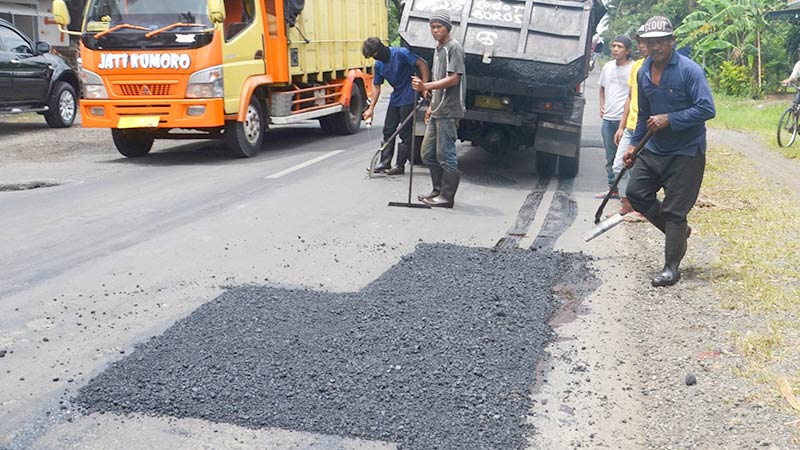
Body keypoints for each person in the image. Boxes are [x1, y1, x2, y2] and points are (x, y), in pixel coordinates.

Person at [623, 16, 716, 287]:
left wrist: (670, 119)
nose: (655, 47)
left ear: (672, 41)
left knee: (676, 210)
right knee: (636, 193)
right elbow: (644, 115)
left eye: (661, 41)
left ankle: (671, 267)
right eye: (650, 43)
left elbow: (707, 109)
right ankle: (678, 232)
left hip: (686, 152)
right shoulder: (642, 71)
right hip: (654, 148)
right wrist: (633, 145)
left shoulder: (690, 71)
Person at [410, 10, 465, 208]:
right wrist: (431, 105)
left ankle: (447, 198)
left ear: (447, 28)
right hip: (438, 108)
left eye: (438, 27)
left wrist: (426, 87)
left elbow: (453, 78)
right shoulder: (438, 49)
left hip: (449, 110)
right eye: (432, 27)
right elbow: (438, 76)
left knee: (446, 155)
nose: (435, 30)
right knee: (427, 154)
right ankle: (437, 190)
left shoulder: (453, 48)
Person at [362, 38, 430, 175]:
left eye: (374, 55)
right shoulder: (378, 65)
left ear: (379, 50)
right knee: (388, 130)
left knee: (405, 132)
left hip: (410, 95)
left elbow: (423, 64)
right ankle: (384, 163)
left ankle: (399, 165)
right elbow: (376, 87)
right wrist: (371, 109)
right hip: (396, 97)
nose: (375, 58)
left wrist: (424, 87)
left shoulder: (401, 53)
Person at [611, 26, 648, 223]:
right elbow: (630, 97)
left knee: (643, 171)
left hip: (648, 129)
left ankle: (642, 209)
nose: (642, 46)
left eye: (646, 42)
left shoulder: (660, 68)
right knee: (619, 166)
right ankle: (627, 204)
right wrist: (621, 126)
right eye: (640, 42)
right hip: (632, 126)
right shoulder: (636, 67)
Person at [597, 35, 634, 199]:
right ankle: (613, 188)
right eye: (613, 46)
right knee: (609, 157)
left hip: (624, 120)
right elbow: (602, 87)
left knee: (625, 158)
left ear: (628, 50)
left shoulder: (633, 68)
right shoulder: (608, 67)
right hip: (608, 119)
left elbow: (632, 95)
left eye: (619, 46)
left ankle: (628, 193)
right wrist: (602, 105)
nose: (615, 49)